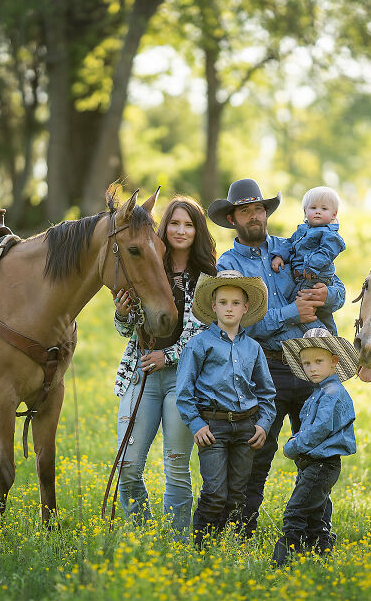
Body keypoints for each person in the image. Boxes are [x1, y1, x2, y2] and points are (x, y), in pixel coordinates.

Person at [207, 177, 346, 537]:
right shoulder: (230, 263)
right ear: (232, 219)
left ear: (265, 213)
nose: (254, 216)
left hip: (309, 364)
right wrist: (291, 314)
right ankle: (241, 528)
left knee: (318, 449)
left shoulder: (292, 246)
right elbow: (237, 321)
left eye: (258, 209)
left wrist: (325, 294)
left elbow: (340, 290)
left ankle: (316, 531)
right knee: (256, 452)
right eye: (245, 211)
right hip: (263, 368)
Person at [112, 196, 217, 534]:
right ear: (163, 227)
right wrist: (122, 314)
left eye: (188, 224)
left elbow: (203, 334)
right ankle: (142, 534)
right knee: (127, 465)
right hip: (141, 374)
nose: (181, 230)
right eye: (174, 223)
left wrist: (167, 356)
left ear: (197, 230)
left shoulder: (206, 276)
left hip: (183, 383)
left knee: (176, 466)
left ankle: (175, 541)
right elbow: (128, 331)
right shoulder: (146, 265)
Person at [175, 270, 276, 546]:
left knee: (236, 495)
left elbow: (267, 393)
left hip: (246, 427)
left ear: (245, 308)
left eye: (235, 303)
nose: (228, 308)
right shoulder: (199, 345)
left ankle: (224, 545)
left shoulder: (253, 348)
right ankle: (200, 545)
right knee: (215, 492)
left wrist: (263, 424)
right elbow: (184, 392)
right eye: (223, 302)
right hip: (213, 428)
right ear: (213, 306)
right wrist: (197, 425)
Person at [271, 328, 359, 566]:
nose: (312, 368)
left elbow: (318, 430)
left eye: (318, 361)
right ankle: (321, 553)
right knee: (316, 512)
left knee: (295, 511)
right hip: (315, 464)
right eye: (307, 363)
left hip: (322, 464)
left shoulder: (331, 393)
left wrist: (293, 446)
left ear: (334, 362)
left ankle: (283, 560)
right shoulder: (319, 392)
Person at [269, 186, 345, 332]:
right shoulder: (301, 230)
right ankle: (330, 337)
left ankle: (321, 336)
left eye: (324, 209)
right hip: (303, 277)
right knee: (319, 312)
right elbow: (289, 244)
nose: (318, 211)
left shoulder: (330, 235)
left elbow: (326, 253)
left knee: (301, 306)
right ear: (305, 212)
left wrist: (310, 266)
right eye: (313, 207)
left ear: (333, 215)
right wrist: (279, 256)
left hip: (314, 277)